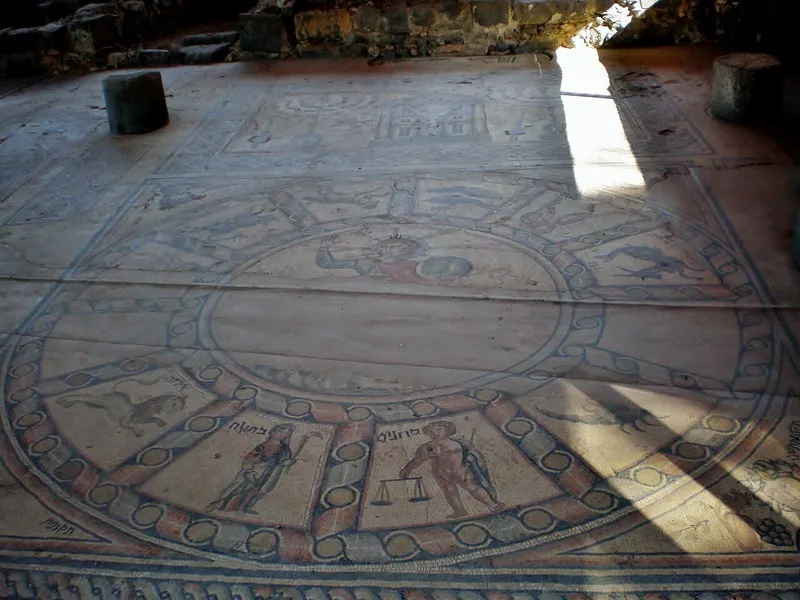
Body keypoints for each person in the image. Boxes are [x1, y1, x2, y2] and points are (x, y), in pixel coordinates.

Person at [400, 420, 504, 519]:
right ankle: (459, 510)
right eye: (432, 431)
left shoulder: (457, 443)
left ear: (448, 430)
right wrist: (407, 469)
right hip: (441, 474)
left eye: (439, 429)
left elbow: (469, 453)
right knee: (450, 492)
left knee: (473, 487)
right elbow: (418, 460)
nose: (436, 432)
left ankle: (491, 504)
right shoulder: (426, 447)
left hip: (459, 471)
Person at [206, 424, 296, 514]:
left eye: (287, 433)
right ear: (272, 432)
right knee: (238, 489)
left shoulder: (285, 448)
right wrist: (248, 471)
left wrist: (287, 463)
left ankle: (244, 507)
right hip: (255, 472)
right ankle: (217, 504)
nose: (283, 434)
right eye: (281, 431)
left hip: (270, 474)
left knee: (257, 492)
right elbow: (249, 458)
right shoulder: (263, 446)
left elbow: (285, 460)